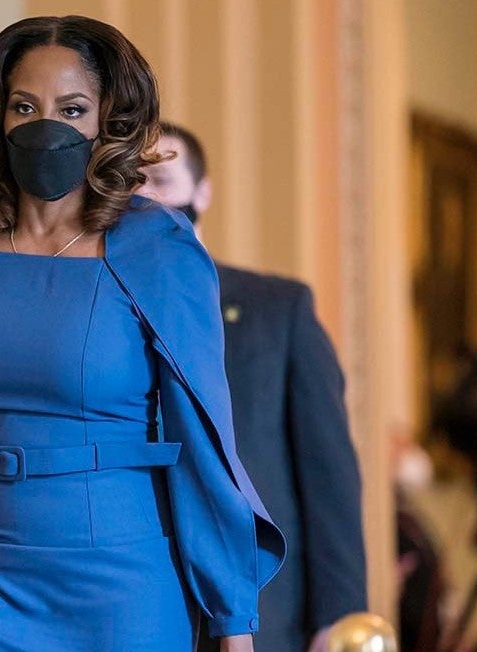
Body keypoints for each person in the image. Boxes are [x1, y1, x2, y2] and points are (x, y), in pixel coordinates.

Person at [0, 16, 284, 652]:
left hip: (123, 586)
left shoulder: (159, 251)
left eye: (72, 108)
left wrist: (234, 626)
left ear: (106, 122)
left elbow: (204, 443)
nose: (46, 125)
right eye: (24, 105)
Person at [137, 122, 367, 652]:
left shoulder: (278, 309)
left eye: (160, 178)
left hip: (265, 610)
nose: (143, 194)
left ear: (202, 192)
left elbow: (327, 472)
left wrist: (339, 614)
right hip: (137, 605)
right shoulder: (94, 310)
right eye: (128, 179)